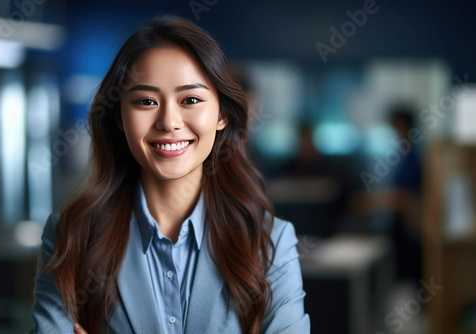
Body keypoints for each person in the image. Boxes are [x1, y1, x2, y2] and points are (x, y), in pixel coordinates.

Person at [29, 16, 310, 334]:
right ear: (119, 117)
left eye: (190, 100)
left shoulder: (270, 241)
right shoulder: (71, 235)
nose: (169, 121)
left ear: (222, 115)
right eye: (146, 101)